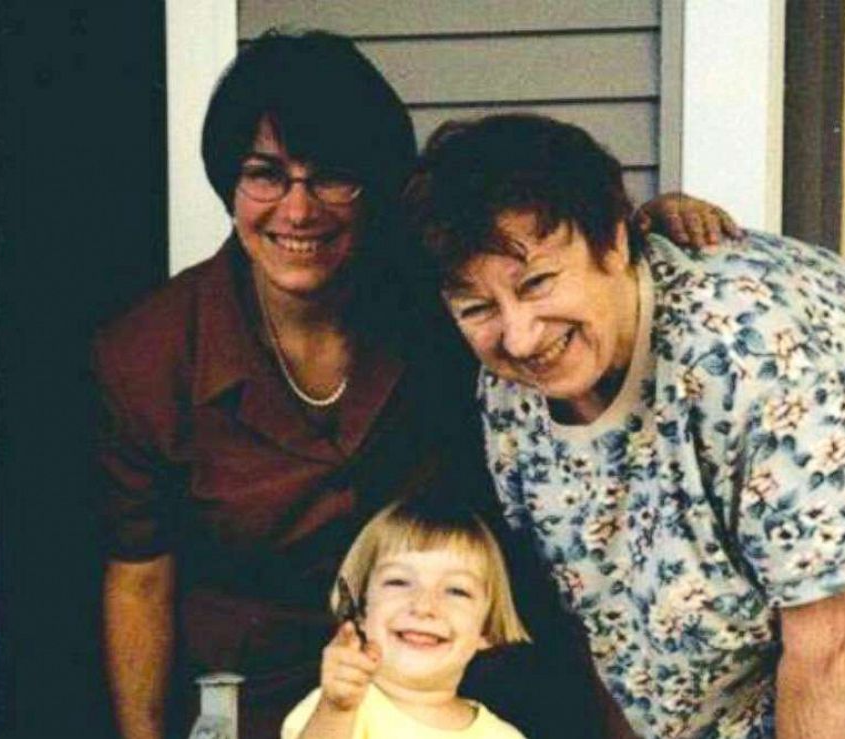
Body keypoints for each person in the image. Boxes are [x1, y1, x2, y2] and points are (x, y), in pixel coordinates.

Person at [94, 30, 741, 739]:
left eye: (332, 175)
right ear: (228, 180)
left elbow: (561, 248)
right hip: (267, 702)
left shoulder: (443, 294)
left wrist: (651, 223)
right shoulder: (149, 353)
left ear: (376, 181)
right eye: (265, 173)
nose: (298, 210)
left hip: (467, 692)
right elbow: (140, 575)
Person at [404, 112, 845, 738]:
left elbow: (843, 637)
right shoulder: (509, 391)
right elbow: (600, 624)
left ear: (614, 240)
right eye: (477, 307)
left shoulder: (750, 353)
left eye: (540, 282)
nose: (519, 337)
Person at [282, 496, 531, 738]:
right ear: (359, 609)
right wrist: (336, 710)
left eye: (457, 590)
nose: (423, 606)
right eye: (399, 582)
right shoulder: (335, 709)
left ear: (487, 627)